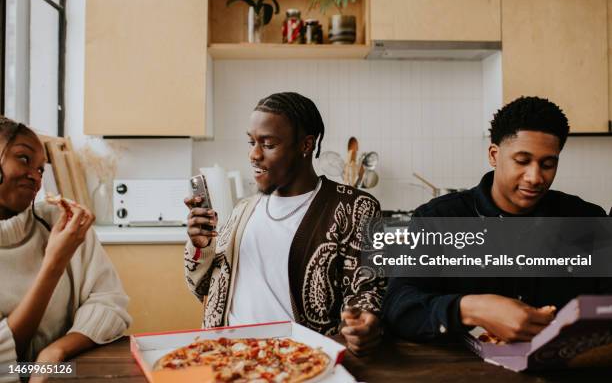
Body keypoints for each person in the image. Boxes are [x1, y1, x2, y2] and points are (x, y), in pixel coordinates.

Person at [383, 96, 611, 342]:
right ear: (494, 155)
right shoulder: (440, 219)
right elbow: (398, 308)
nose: (535, 177)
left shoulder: (586, 219)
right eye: (522, 161)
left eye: (547, 164)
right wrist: (472, 309)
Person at [184, 92, 386, 355]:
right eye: (251, 142)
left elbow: (368, 288)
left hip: (301, 360)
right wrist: (201, 246)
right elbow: (202, 289)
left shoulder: (355, 208)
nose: (253, 155)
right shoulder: (243, 210)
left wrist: (364, 322)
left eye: (267, 144)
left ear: (305, 145)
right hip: (227, 357)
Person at [0, 117, 131, 380]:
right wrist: (54, 263)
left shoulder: (60, 222)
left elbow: (110, 302)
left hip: (60, 371)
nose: (35, 176)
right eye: (24, 159)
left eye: (40, 169)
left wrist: (55, 352)